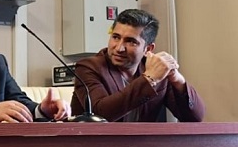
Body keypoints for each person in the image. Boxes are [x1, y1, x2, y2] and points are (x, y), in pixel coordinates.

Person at [72, 8, 205, 122]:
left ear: (148, 49)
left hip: (142, 144)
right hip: (96, 143)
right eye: (116, 37)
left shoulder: (154, 69)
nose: (119, 48)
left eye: (131, 41)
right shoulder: (88, 67)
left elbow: (193, 118)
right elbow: (101, 115)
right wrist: (149, 79)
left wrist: (178, 80)